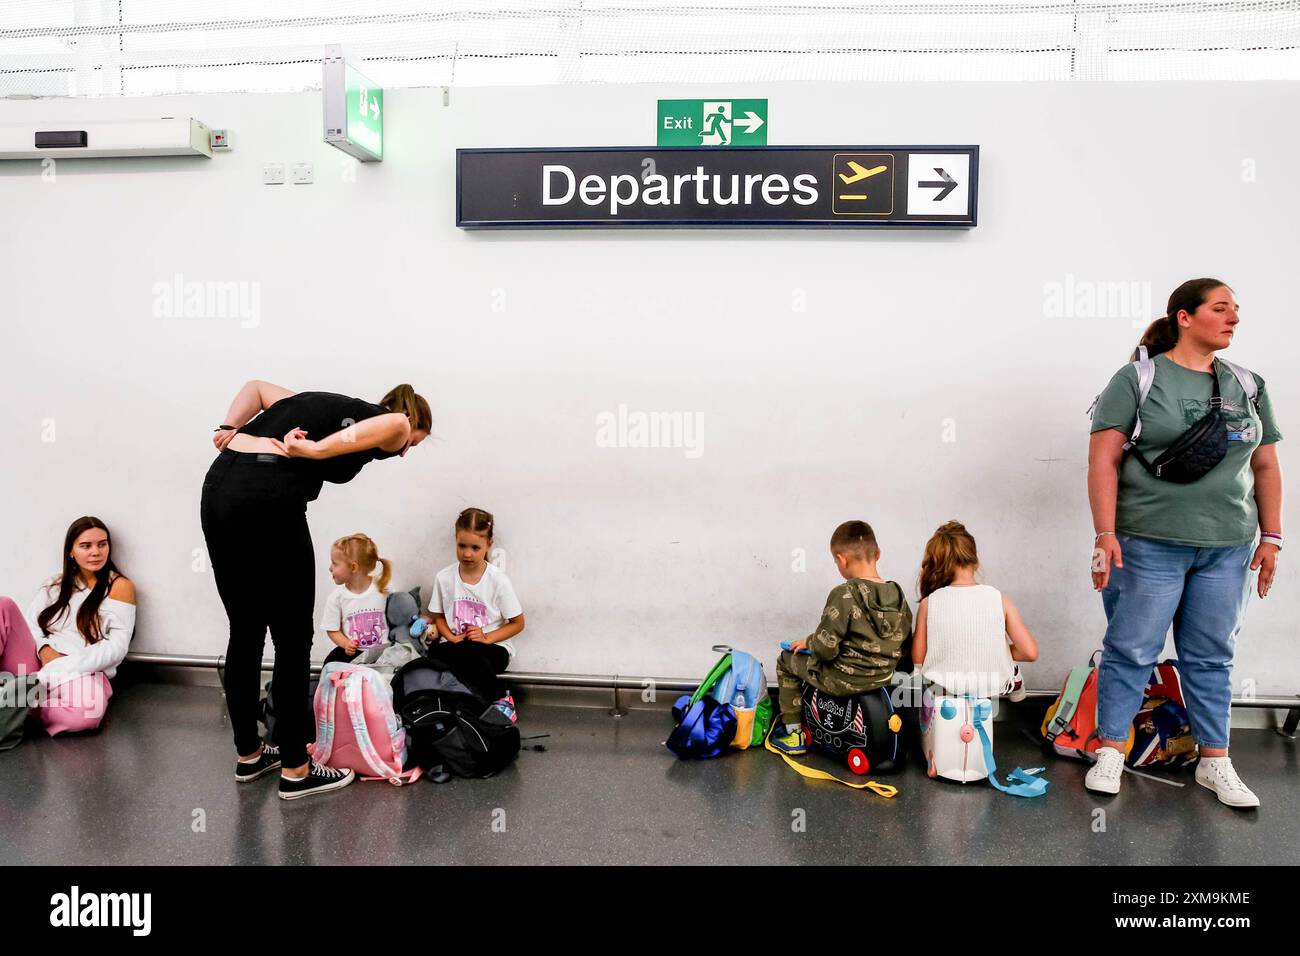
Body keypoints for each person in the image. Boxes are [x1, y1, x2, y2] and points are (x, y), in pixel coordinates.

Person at [1086, 279, 1282, 808]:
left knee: (1212, 656)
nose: (1233, 318)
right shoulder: (1139, 378)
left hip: (1228, 545)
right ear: (1184, 317)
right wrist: (1105, 534)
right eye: (1220, 309)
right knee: (1132, 649)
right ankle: (1110, 750)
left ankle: (1215, 762)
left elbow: (1264, 464)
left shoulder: (1249, 384)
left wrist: (1273, 537)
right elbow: (1103, 459)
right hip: (1148, 542)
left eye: (1236, 310)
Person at [201, 380, 431, 800]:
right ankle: (295, 769)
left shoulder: (307, 405)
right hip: (268, 500)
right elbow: (396, 424)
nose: (404, 450)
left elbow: (255, 388)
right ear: (412, 421)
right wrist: (314, 451)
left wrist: (227, 427)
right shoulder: (392, 422)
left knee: (246, 631)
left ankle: (250, 756)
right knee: (292, 640)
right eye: (414, 443)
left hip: (219, 490)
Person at [770, 520, 912, 755]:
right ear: (877, 553)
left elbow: (826, 650)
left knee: (786, 660)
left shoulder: (843, 594)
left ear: (842, 559)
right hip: (884, 678)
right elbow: (905, 644)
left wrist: (810, 643)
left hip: (843, 680)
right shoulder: (898, 595)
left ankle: (793, 735)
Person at [0, 516, 135, 738]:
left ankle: (17, 708)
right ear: (71, 551)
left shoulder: (120, 586)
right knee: (3, 605)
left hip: (82, 672)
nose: (96, 552)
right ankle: (18, 703)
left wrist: (60, 666)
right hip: (37, 663)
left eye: (102, 544)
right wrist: (44, 650)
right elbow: (31, 625)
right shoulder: (54, 584)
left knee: (87, 714)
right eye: (86, 546)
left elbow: (116, 649)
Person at [910, 520, 1037, 700]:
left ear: (939, 563)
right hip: (991, 687)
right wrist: (994, 649)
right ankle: (1014, 678)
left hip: (943, 690)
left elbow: (918, 659)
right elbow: (1029, 652)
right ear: (975, 560)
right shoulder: (1000, 600)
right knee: (1005, 664)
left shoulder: (929, 603)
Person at [421, 508, 524, 710]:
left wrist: (486, 637)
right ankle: (461, 705)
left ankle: (501, 699)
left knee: (472, 657)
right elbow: (438, 617)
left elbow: (518, 623)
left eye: (475, 548)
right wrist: (450, 636)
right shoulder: (444, 577)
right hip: (456, 645)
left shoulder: (498, 580)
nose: (467, 553)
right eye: (461, 546)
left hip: (492, 648)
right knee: (436, 658)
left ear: (488, 545)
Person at [322, 533, 393, 667]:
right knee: (330, 663)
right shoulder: (337, 597)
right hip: (353, 653)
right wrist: (345, 644)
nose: (330, 568)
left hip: (382, 653)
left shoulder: (382, 588)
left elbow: (398, 615)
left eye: (335, 563)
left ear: (353, 567)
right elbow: (332, 629)